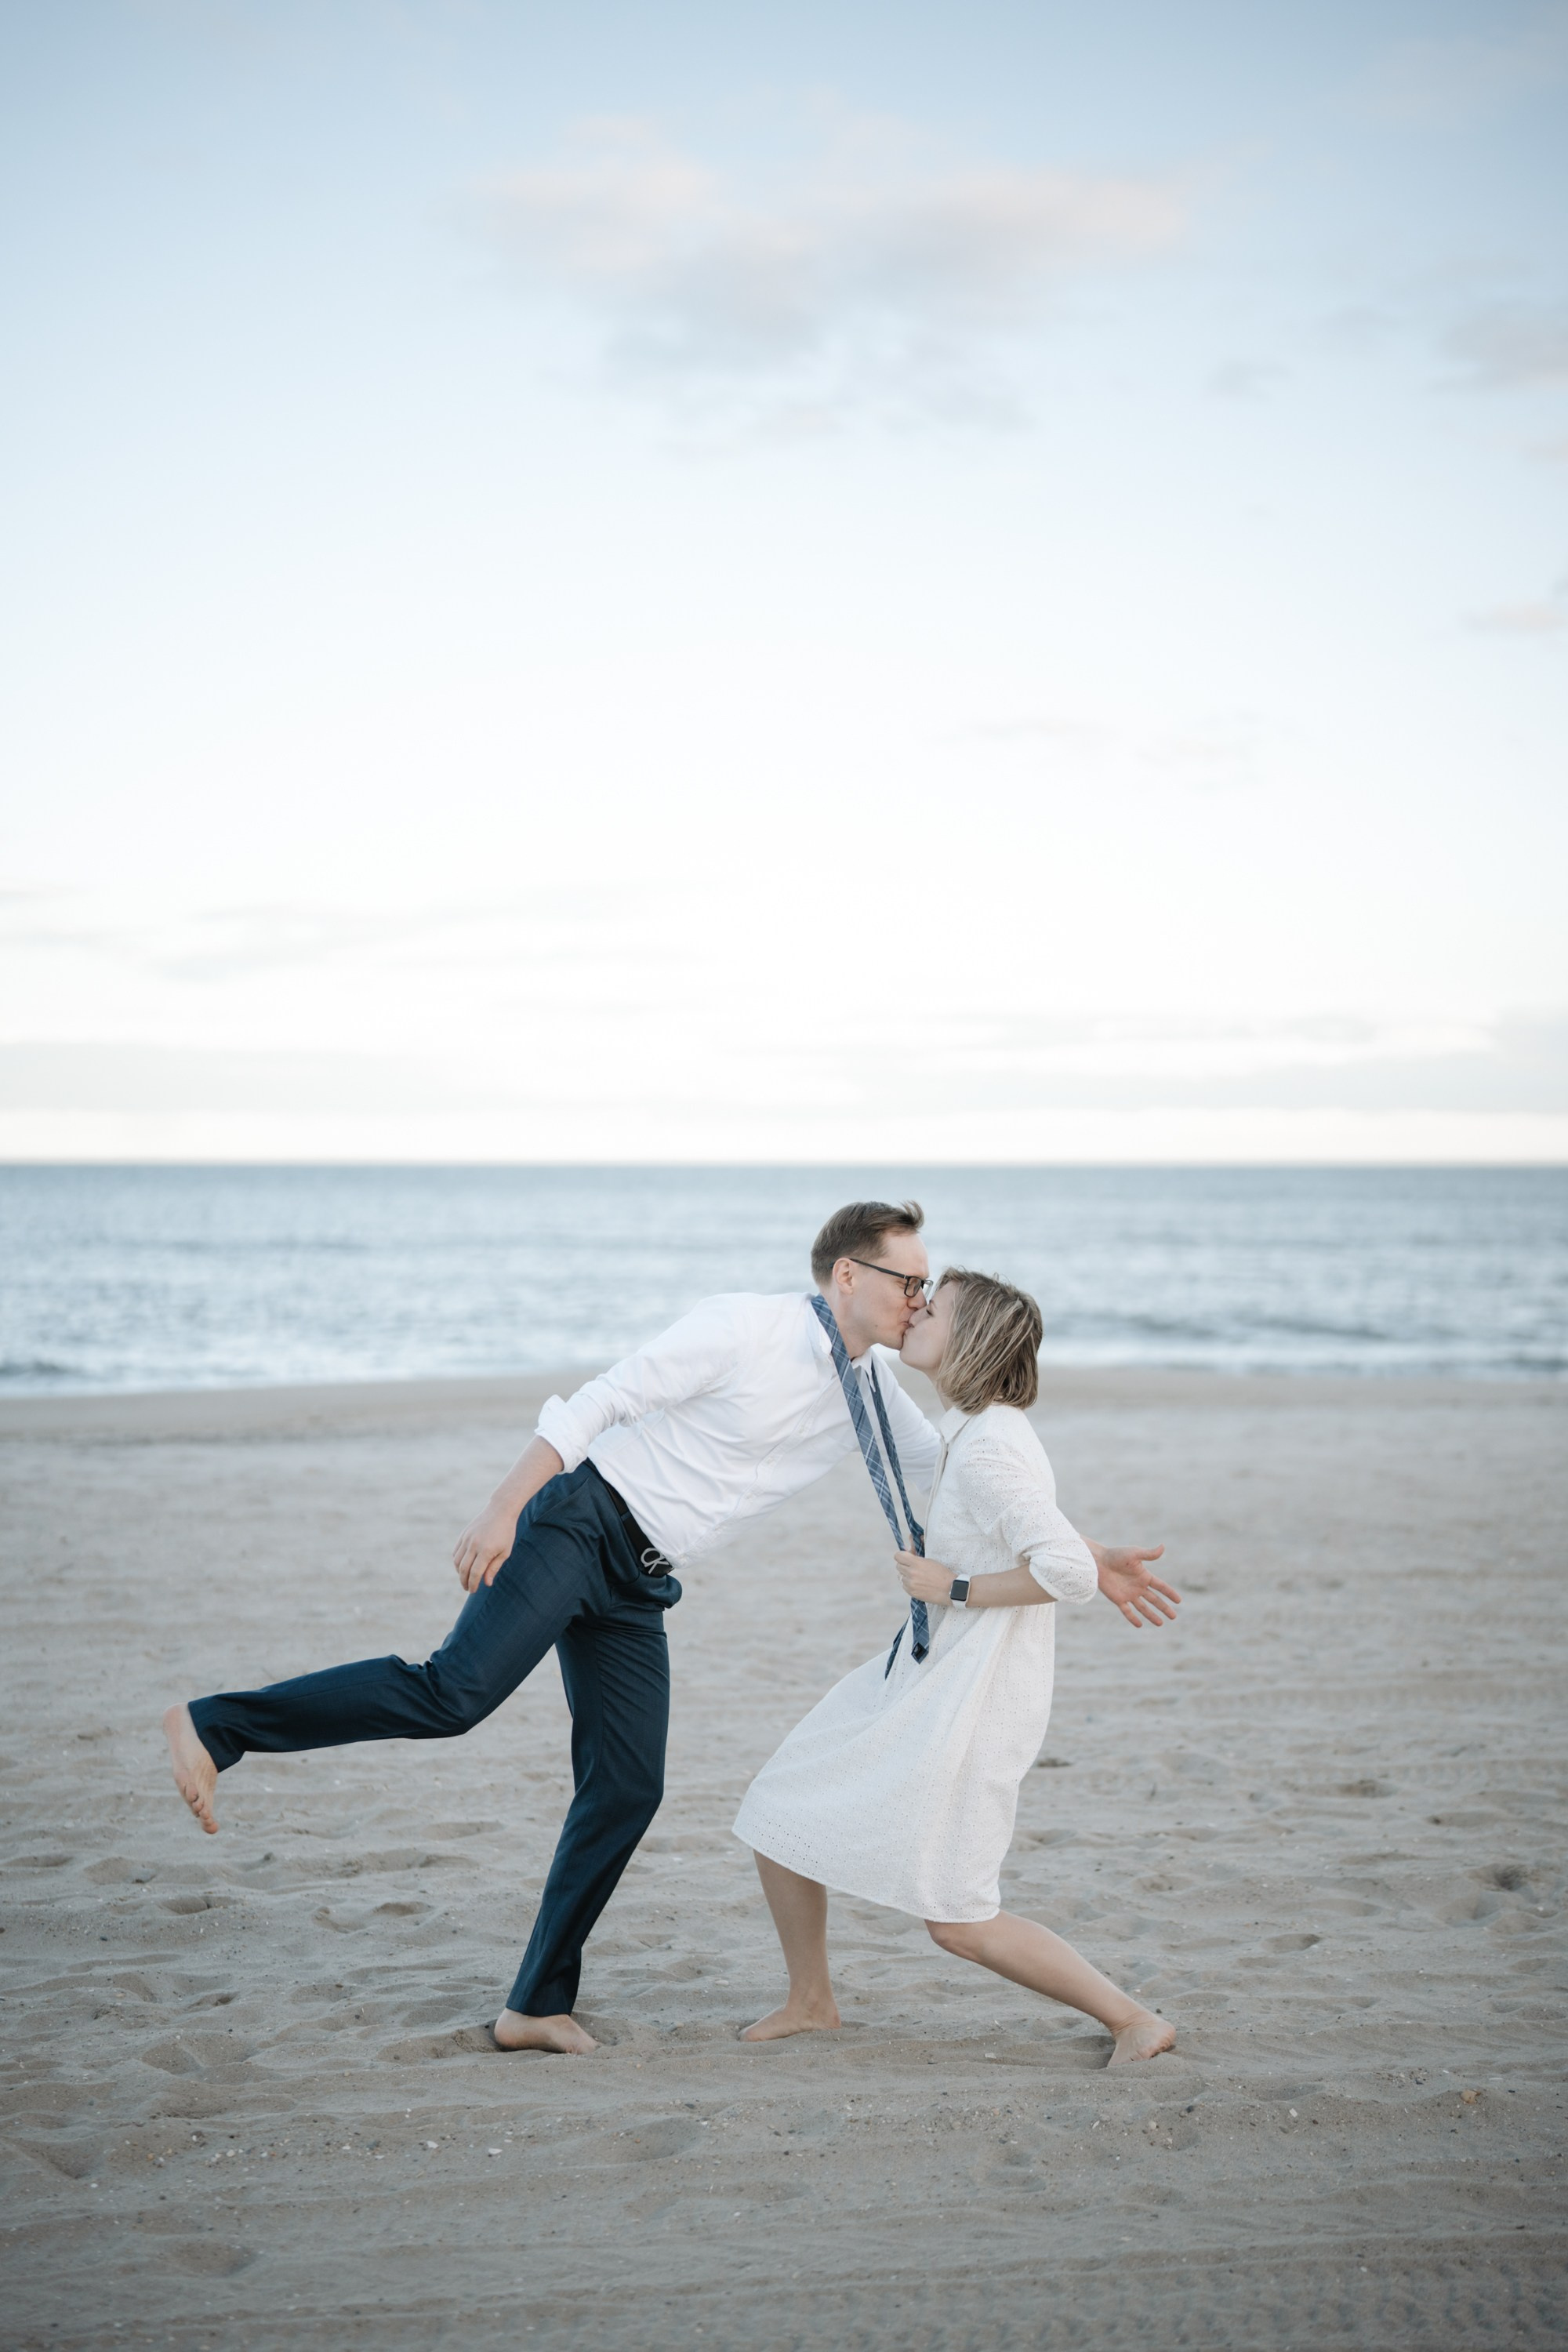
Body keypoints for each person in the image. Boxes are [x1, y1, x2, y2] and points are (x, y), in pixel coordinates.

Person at [164, 1200, 1169, 2057]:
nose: (918, 1298)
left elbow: (946, 1479)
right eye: (909, 1279)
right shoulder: (742, 1328)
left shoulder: (868, 1390)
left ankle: (534, 2005)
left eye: (925, 1289)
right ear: (848, 1273)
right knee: (452, 1694)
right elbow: (601, 1399)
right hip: (578, 1524)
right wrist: (504, 1507)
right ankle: (217, 1727)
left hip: (640, 1580)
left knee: (628, 1786)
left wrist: (1087, 1547)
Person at [733, 1266, 1180, 2065]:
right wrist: (1091, 1546)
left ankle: (1132, 2020)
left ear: (968, 1341)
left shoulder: (986, 1448)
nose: (915, 1311)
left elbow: (1063, 1577)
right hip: (923, 1675)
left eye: (931, 1308)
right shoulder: (976, 1430)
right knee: (779, 1811)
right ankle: (810, 2000)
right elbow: (1039, 1535)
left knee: (958, 1922)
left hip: (974, 1700)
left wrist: (956, 1585)